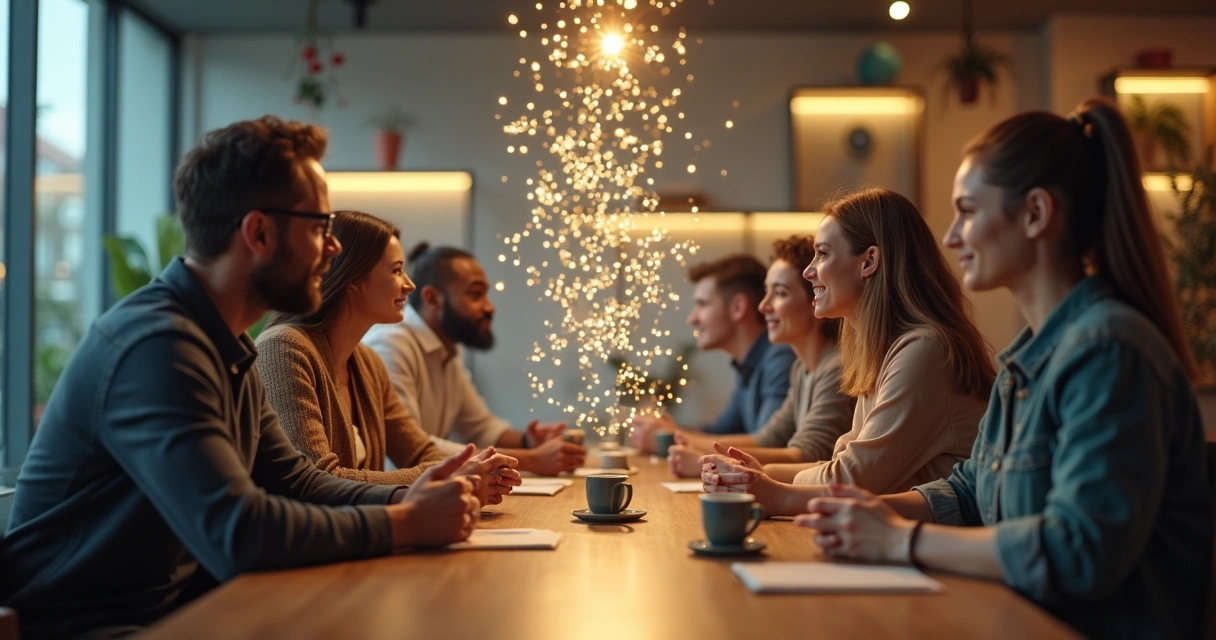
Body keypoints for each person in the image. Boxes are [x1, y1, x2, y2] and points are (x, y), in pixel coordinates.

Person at [0, 117, 481, 639]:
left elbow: (295, 481)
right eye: (320, 227)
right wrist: (405, 522)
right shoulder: (157, 346)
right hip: (88, 628)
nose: (334, 247)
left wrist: (409, 498)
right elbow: (238, 532)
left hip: (180, 611)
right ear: (259, 232)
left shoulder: (229, 345)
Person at [794, 100, 1212, 640]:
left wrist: (900, 540)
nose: (951, 237)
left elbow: (1078, 552)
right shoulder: (1025, 361)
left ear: (1035, 214)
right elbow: (969, 492)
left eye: (967, 211)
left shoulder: (1110, 350)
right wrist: (866, 512)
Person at [701, 188, 993, 516]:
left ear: (869, 261)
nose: (809, 271)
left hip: (935, 555)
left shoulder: (924, 351)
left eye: (822, 254)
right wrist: (757, 474)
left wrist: (772, 487)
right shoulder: (884, 355)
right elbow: (842, 467)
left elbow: (850, 478)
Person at [257, 210, 521, 505]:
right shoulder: (284, 348)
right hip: (312, 544)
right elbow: (318, 479)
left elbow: (419, 451)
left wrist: (470, 470)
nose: (409, 285)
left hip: (362, 532)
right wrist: (447, 474)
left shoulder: (367, 362)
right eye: (396, 271)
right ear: (353, 277)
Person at [363, 243, 586, 476]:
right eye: (475, 294)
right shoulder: (390, 345)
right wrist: (530, 460)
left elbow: (480, 428)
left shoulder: (447, 350)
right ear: (432, 298)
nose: (489, 307)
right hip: (396, 496)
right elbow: (412, 448)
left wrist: (527, 440)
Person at [665, 236, 854, 477]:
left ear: (814, 301)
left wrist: (707, 461)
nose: (764, 306)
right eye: (767, 292)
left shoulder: (834, 367)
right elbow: (767, 438)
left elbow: (808, 453)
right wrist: (686, 442)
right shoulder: (801, 369)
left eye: (780, 293)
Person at [629, 254, 797, 453]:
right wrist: (666, 430)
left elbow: (768, 444)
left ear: (738, 308)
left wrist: (672, 438)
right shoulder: (748, 365)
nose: (692, 318)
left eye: (702, 304)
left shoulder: (780, 358)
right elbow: (719, 433)